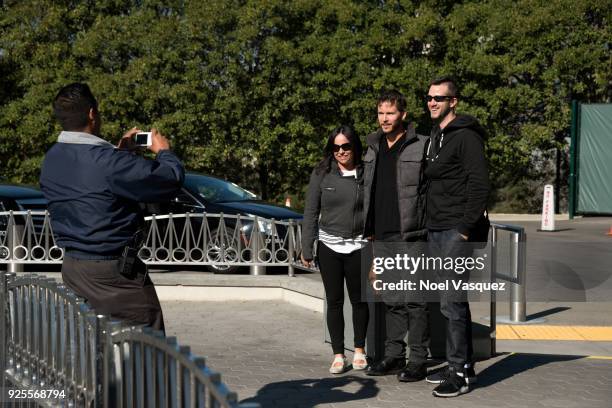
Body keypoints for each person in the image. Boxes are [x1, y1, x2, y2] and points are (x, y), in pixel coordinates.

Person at [40, 83, 184, 333]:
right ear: (92, 114)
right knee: (146, 347)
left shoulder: (52, 157)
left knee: (92, 342)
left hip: (74, 267)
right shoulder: (108, 162)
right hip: (113, 274)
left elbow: (94, 188)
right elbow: (168, 180)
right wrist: (164, 152)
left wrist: (120, 153)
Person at [424, 76, 490, 397]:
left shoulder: (466, 137)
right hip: (437, 228)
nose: (432, 102)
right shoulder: (435, 136)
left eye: (439, 97)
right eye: (429, 97)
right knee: (450, 302)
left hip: (456, 231)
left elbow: (479, 186)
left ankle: (460, 373)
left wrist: (464, 229)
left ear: (454, 102)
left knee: (452, 303)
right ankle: (462, 366)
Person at [363, 90, 430, 382]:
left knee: (415, 299)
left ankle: (418, 360)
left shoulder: (421, 145)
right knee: (391, 298)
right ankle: (393, 356)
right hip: (382, 235)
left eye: (390, 113)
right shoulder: (372, 147)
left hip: (411, 235)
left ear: (403, 114)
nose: (385, 119)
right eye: (381, 113)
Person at [301, 125, 369, 374]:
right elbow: (310, 211)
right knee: (335, 301)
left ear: (354, 146)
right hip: (329, 246)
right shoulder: (322, 173)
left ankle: (360, 350)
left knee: (360, 301)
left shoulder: (366, 172)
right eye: (336, 147)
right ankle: (339, 354)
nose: (341, 151)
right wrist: (306, 247)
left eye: (346, 146)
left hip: (359, 246)